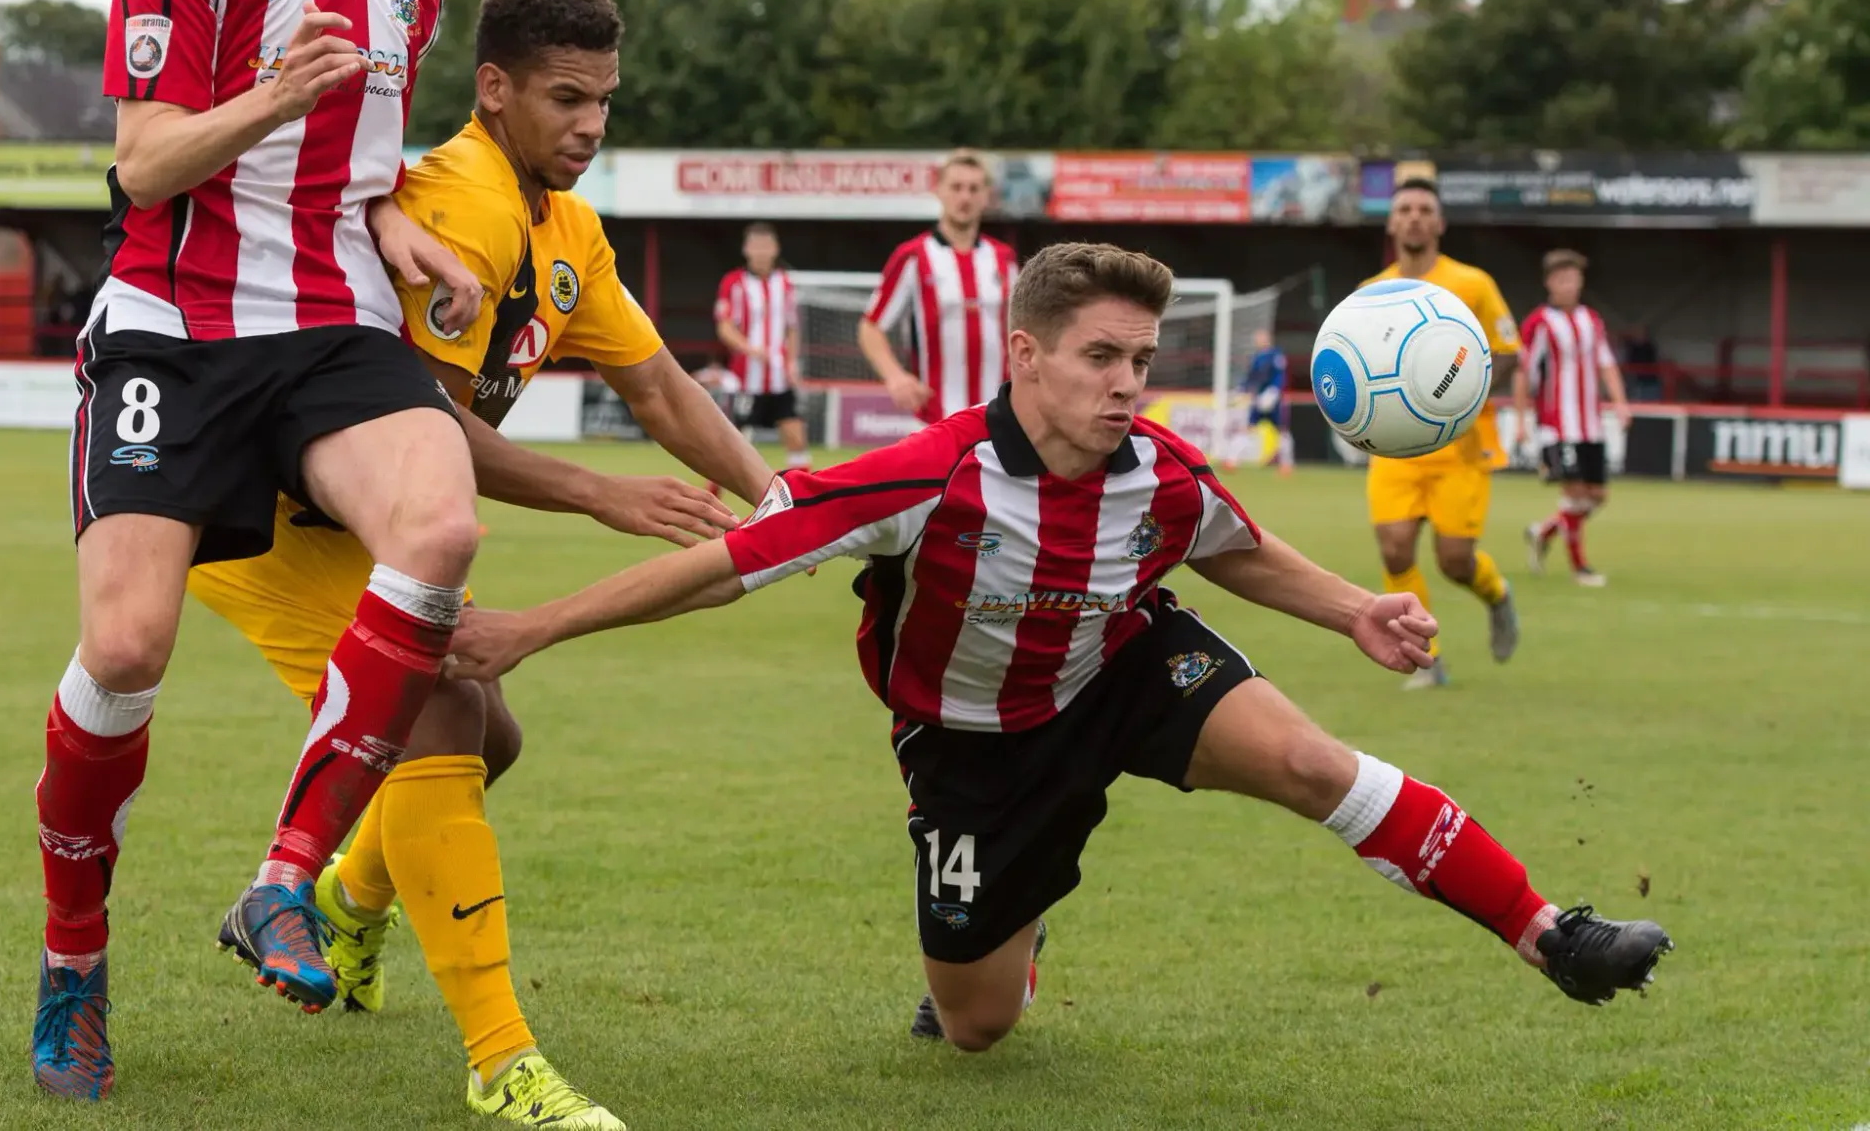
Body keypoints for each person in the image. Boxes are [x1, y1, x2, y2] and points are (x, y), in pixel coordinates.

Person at [448, 241, 1674, 1055]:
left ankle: (1549, 934)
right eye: (1100, 356)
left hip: (1124, 667)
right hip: (973, 747)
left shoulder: (1159, 471)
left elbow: (1233, 550)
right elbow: (720, 568)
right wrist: (531, 628)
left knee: (1313, 765)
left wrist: (1354, 605)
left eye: (1140, 359)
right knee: (972, 1025)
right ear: (1023, 354)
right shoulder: (921, 475)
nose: (1126, 383)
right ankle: (1014, 944)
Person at [190, 0, 772, 1129]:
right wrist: (598, 495)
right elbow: (416, 423)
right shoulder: (461, 199)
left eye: (604, 100)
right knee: (442, 713)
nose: (592, 126)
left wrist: (784, 495)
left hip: (364, 525)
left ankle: (352, 910)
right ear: (494, 89)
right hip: (273, 520)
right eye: (566, 98)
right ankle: (501, 1060)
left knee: (485, 727)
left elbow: (655, 384)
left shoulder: (565, 226)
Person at [34, 0, 488, 1101]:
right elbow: (142, 163)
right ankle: (74, 965)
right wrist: (271, 94)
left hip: (335, 322)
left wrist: (401, 229)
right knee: (124, 648)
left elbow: (362, 162)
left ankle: (283, 880)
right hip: (176, 324)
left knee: (442, 531)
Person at [1362, 179, 1521, 690]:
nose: (1413, 217)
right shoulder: (1371, 294)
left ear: (1439, 223)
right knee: (1394, 550)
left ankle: (1496, 594)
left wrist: (1462, 394)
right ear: (1391, 223)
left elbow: (1510, 351)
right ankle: (1425, 659)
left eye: (1423, 209)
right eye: (1404, 208)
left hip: (1461, 446)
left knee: (1455, 562)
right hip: (1396, 447)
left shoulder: (1473, 283)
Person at [857, 149, 1019, 425]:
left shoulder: (1004, 259)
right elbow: (870, 327)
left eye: (973, 188)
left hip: (1000, 417)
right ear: (939, 190)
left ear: (985, 196)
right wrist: (895, 377)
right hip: (935, 419)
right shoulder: (913, 256)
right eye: (956, 187)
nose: (964, 197)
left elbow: (1023, 329)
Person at [1514, 250, 1632, 588]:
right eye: (1561, 278)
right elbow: (1524, 371)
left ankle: (1543, 531)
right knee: (1576, 493)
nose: (1568, 284)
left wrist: (1621, 403)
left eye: (1573, 277)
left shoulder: (1592, 320)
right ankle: (1581, 568)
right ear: (1550, 282)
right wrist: (1521, 420)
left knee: (1597, 496)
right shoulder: (1539, 323)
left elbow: (1606, 364)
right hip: (1557, 423)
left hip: (1590, 423)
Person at [715, 221, 811, 469]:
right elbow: (724, 327)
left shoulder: (785, 283)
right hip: (746, 377)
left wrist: (791, 362)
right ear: (746, 249)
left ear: (775, 249)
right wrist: (749, 349)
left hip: (779, 376)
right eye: (755, 246)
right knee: (731, 445)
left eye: (765, 246)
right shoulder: (733, 282)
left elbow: (791, 327)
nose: (760, 252)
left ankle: (803, 499)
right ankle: (710, 498)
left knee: (796, 437)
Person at [1241, 327, 1293, 474]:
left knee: (1282, 431)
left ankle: (1287, 464)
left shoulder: (1276, 355)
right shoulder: (1256, 357)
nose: (1258, 341)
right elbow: (1251, 378)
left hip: (1273, 400)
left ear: (1268, 339)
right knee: (1249, 427)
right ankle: (1231, 461)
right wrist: (1243, 389)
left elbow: (1280, 376)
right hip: (1258, 400)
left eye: (1261, 337)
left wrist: (1274, 392)